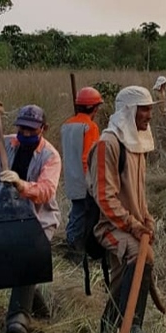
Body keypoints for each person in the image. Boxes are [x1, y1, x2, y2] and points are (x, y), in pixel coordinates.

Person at [87, 86, 158, 333]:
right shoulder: (109, 143)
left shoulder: (137, 143)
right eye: (144, 108)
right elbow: (105, 198)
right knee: (142, 258)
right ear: (129, 111)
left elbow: (138, 191)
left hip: (133, 226)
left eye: (150, 108)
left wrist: (146, 218)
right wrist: (133, 225)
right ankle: (133, 328)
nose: (149, 115)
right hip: (109, 226)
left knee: (122, 283)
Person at [0, 104, 61, 333]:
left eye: (31, 130)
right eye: (22, 129)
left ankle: (18, 317)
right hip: (8, 214)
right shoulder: (5, 144)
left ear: (43, 129)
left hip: (39, 217)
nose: (25, 134)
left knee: (26, 256)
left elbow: (46, 191)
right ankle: (40, 308)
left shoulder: (50, 156)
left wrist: (21, 185)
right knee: (14, 260)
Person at [61, 87, 103, 261]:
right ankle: (75, 248)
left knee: (78, 212)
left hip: (71, 176)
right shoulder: (90, 127)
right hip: (84, 180)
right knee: (85, 214)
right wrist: (92, 182)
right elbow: (89, 156)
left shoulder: (66, 125)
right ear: (94, 108)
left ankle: (76, 244)